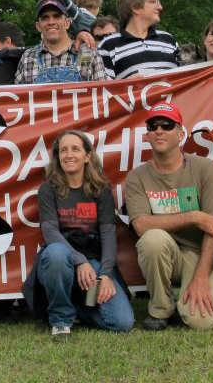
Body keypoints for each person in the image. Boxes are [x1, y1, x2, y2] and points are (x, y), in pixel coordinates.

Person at [123, 102, 213, 331]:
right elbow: (141, 226)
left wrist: (201, 277)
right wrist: (193, 216)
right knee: (152, 239)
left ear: (181, 134)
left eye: (167, 125)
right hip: (168, 254)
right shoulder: (136, 177)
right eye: (153, 126)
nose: (159, 130)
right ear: (147, 135)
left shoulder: (205, 168)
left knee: (200, 322)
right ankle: (161, 309)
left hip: (204, 255)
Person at [22, 130, 134, 338]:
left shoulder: (101, 191)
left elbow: (109, 234)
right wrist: (79, 261)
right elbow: (50, 232)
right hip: (61, 260)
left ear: (87, 156)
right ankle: (61, 320)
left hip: (94, 263)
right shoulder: (48, 190)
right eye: (63, 150)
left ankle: (77, 307)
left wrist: (105, 274)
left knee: (123, 323)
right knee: (56, 252)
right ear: (58, 157)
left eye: (75, 149)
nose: (69, 155)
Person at [15, 0, 106, 84]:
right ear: (38, 26)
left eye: (57, 16)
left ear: (67, 23)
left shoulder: (89, 54)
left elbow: (102, 96)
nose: (51, 22)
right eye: (45, 17)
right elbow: (18, 98)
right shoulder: (28, 57)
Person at [97, 0, 179, 80]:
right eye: (153, 2)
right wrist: (126, 85)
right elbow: (103, 90)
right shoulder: (107, 46)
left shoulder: (168, 39)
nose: (160, 7)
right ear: (135, 8)